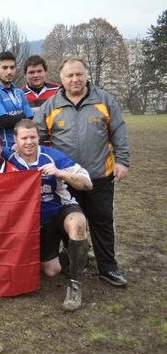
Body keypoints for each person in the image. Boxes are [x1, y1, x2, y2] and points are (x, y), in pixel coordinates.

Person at [35, 56, 131, 287]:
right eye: (70, 75)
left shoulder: (104, 100)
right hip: (66, 180)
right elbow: (34, 134)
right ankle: (79, 261)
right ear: (61, 78)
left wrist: (123, 161)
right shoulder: (50, 105)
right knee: (71, 222)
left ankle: (108, 268)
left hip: (99, 176)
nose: (75, 79)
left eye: (79, 74)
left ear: (86, 75)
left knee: (102, 222)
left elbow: (119, 131)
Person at [8, 119, 92, 311]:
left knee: (78, 222)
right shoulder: (9, 158)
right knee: (51, 271)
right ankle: (76, 255)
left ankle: (75, 285)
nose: (28, 142)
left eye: (32, 137)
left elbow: (87, 183)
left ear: (39, 137)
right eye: (24, 138)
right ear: (15, 140)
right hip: (34, 221)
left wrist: (60, 173)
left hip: (59, 211)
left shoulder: (52, 156)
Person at [0, 51, 33, 149]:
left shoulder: (20, 92)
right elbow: (4, 122)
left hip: (24, 145)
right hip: (4, 148)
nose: (9, 72)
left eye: (12, 67)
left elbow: (30, 120)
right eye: (5, 68)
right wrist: (22, 116)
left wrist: (15, 118)